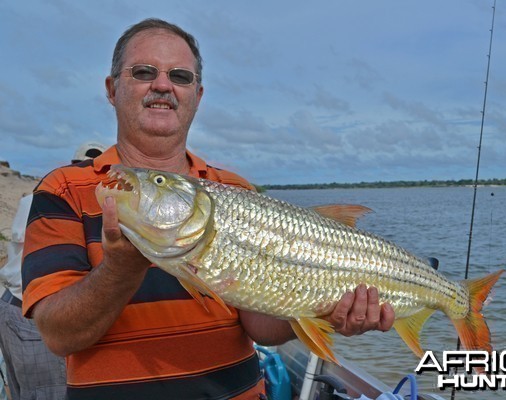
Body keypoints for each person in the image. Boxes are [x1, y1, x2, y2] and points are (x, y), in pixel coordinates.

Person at [22, 19, 395, 400]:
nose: (163, 85)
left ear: (197, 96)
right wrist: (121, 268)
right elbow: (57, 335)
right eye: (144, 72)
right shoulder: (63, 189)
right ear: (111, 88)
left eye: (180, 76)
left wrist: (325, 310)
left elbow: (261, 325)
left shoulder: (236, 191)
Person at [0, 142, 106, 400]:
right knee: (51, 392)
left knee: (22, 391)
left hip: (11, 305)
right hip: (35, 315)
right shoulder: (58, 202)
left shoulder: (34, 198)